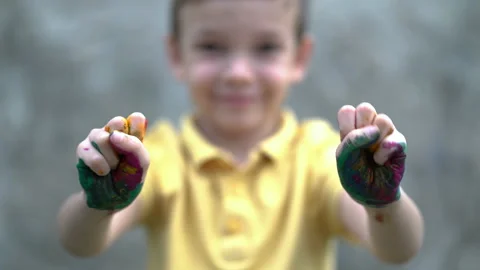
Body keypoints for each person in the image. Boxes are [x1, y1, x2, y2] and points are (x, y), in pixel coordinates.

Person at [57, 0, 424, 269]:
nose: (238, 73)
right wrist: (100, 202)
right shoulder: (158, 157)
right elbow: (80, 243)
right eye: (212, 47)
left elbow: (398, 250)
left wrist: (382, 201)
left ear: (299, 57)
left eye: (266, 48)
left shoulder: (319, 156)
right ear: (176, 55)